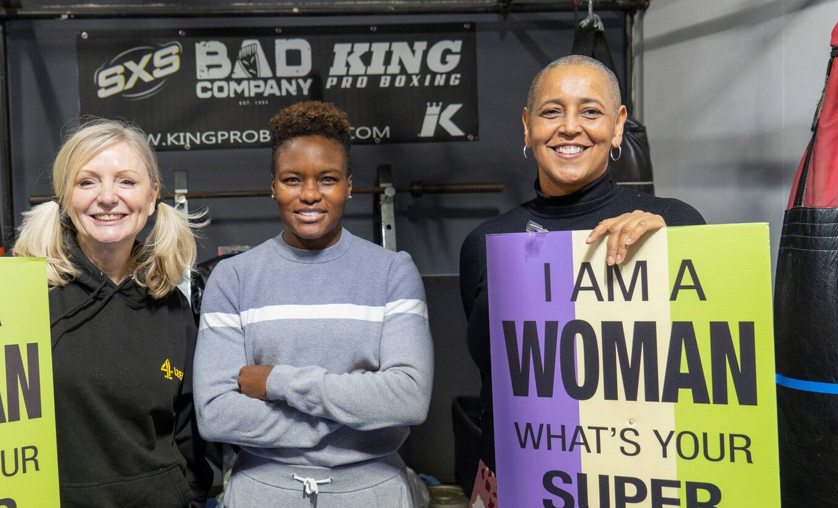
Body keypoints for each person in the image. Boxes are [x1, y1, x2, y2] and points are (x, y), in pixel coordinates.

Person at [458, 55, 705, 497]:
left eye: (590, 111)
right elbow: (492, 379)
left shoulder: (675, 223)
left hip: (635, 481)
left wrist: (673, 244)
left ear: (617, 126)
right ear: (527, 125)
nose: (570, 127)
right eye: (552, 111)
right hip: (517, 481)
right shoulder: (487, 243)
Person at [194, 101, 434, 506]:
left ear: (349, 186)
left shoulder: (393, 272)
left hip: (373, 494)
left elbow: (408, 397)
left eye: (327, 179)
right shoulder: (233, 278)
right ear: (273, 185)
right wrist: (349, 423)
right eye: (292, 179)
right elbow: (216, 413)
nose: (309, 194)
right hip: (261, 494)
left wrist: (276, 382)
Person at [12, 119, 211, 507]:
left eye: (126, 181)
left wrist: (188, 496)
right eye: (87, 182)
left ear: (152, 196)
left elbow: (188, 434)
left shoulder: (172, 305)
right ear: (65, 198)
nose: (107, 197)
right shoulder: (23, 295)